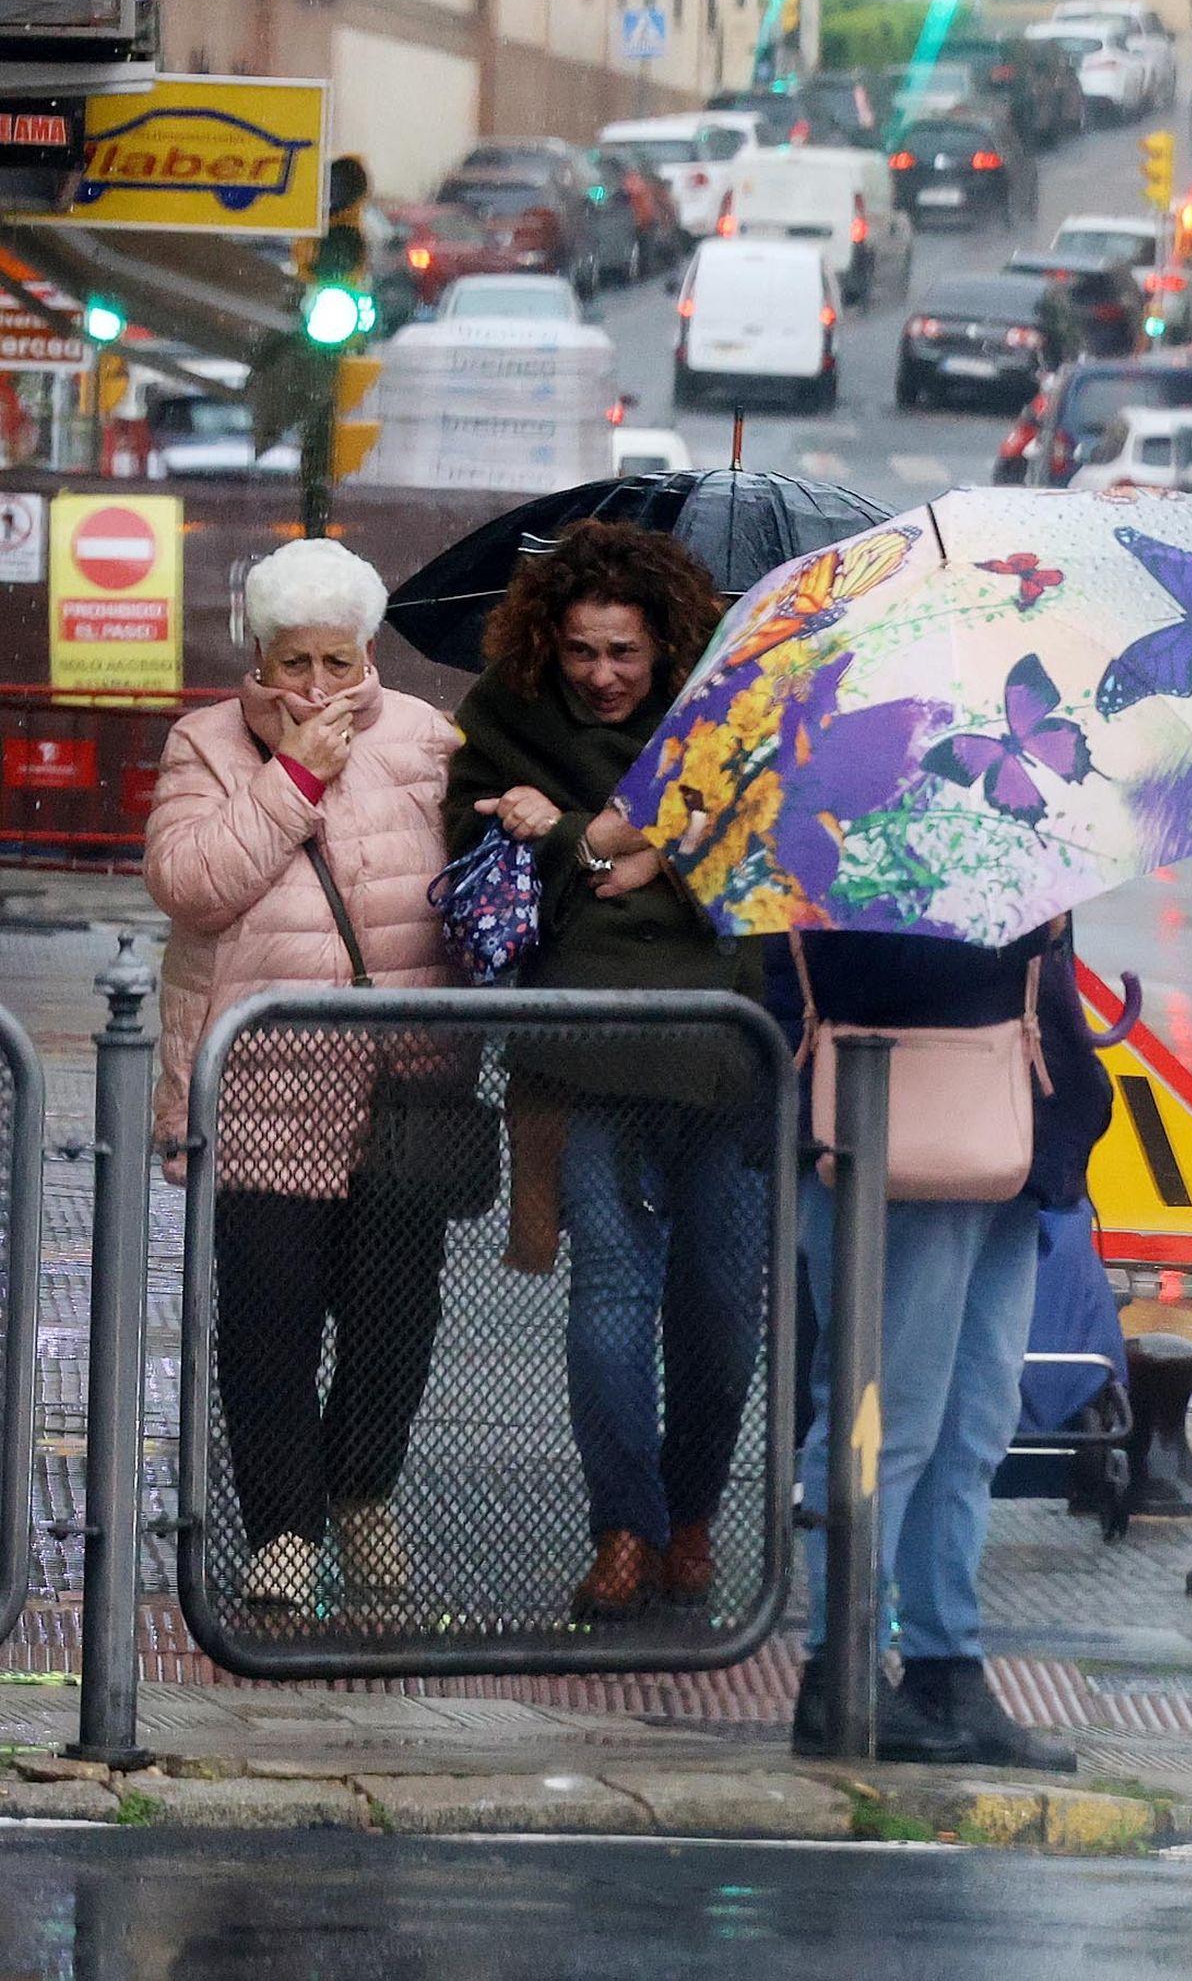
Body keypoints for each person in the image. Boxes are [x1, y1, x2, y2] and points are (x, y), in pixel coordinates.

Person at [443, 520, 765, 1621]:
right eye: (581, 650)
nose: (602, 674)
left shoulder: (727, 715)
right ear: (550, 642)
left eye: (624, 651)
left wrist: (591, 839)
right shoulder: (509, 715)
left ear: (666, 643)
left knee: (721, 1313)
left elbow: (769, 859)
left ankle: (690, 1516)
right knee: (611, 1299)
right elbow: (474, 868)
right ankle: (624, 1526)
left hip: (726, 1060)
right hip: (587, 1055)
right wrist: (615, 845)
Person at [145, 538, 460, 1610]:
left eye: (337, 661)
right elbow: (189, 883)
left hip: (402, 1080)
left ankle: (362, 1492)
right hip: (262, 1080)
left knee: (393, 1316)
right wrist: (292, 779)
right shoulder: (205, 743)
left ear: (368, 653)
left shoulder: (424, 737)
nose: (317, 686)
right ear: (261, 657)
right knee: (267, 1318)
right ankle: (282, 1524)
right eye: (294, 663)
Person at [776, 928, 1112, 1766]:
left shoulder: (1000, 849)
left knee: (973, 1421)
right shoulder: (849, 847)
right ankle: (841, 1667)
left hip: (1005, 1131)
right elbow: (859, 971)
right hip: (903, 1122)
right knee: (885, 1412)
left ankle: (946, 1666)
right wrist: (1018, 934)